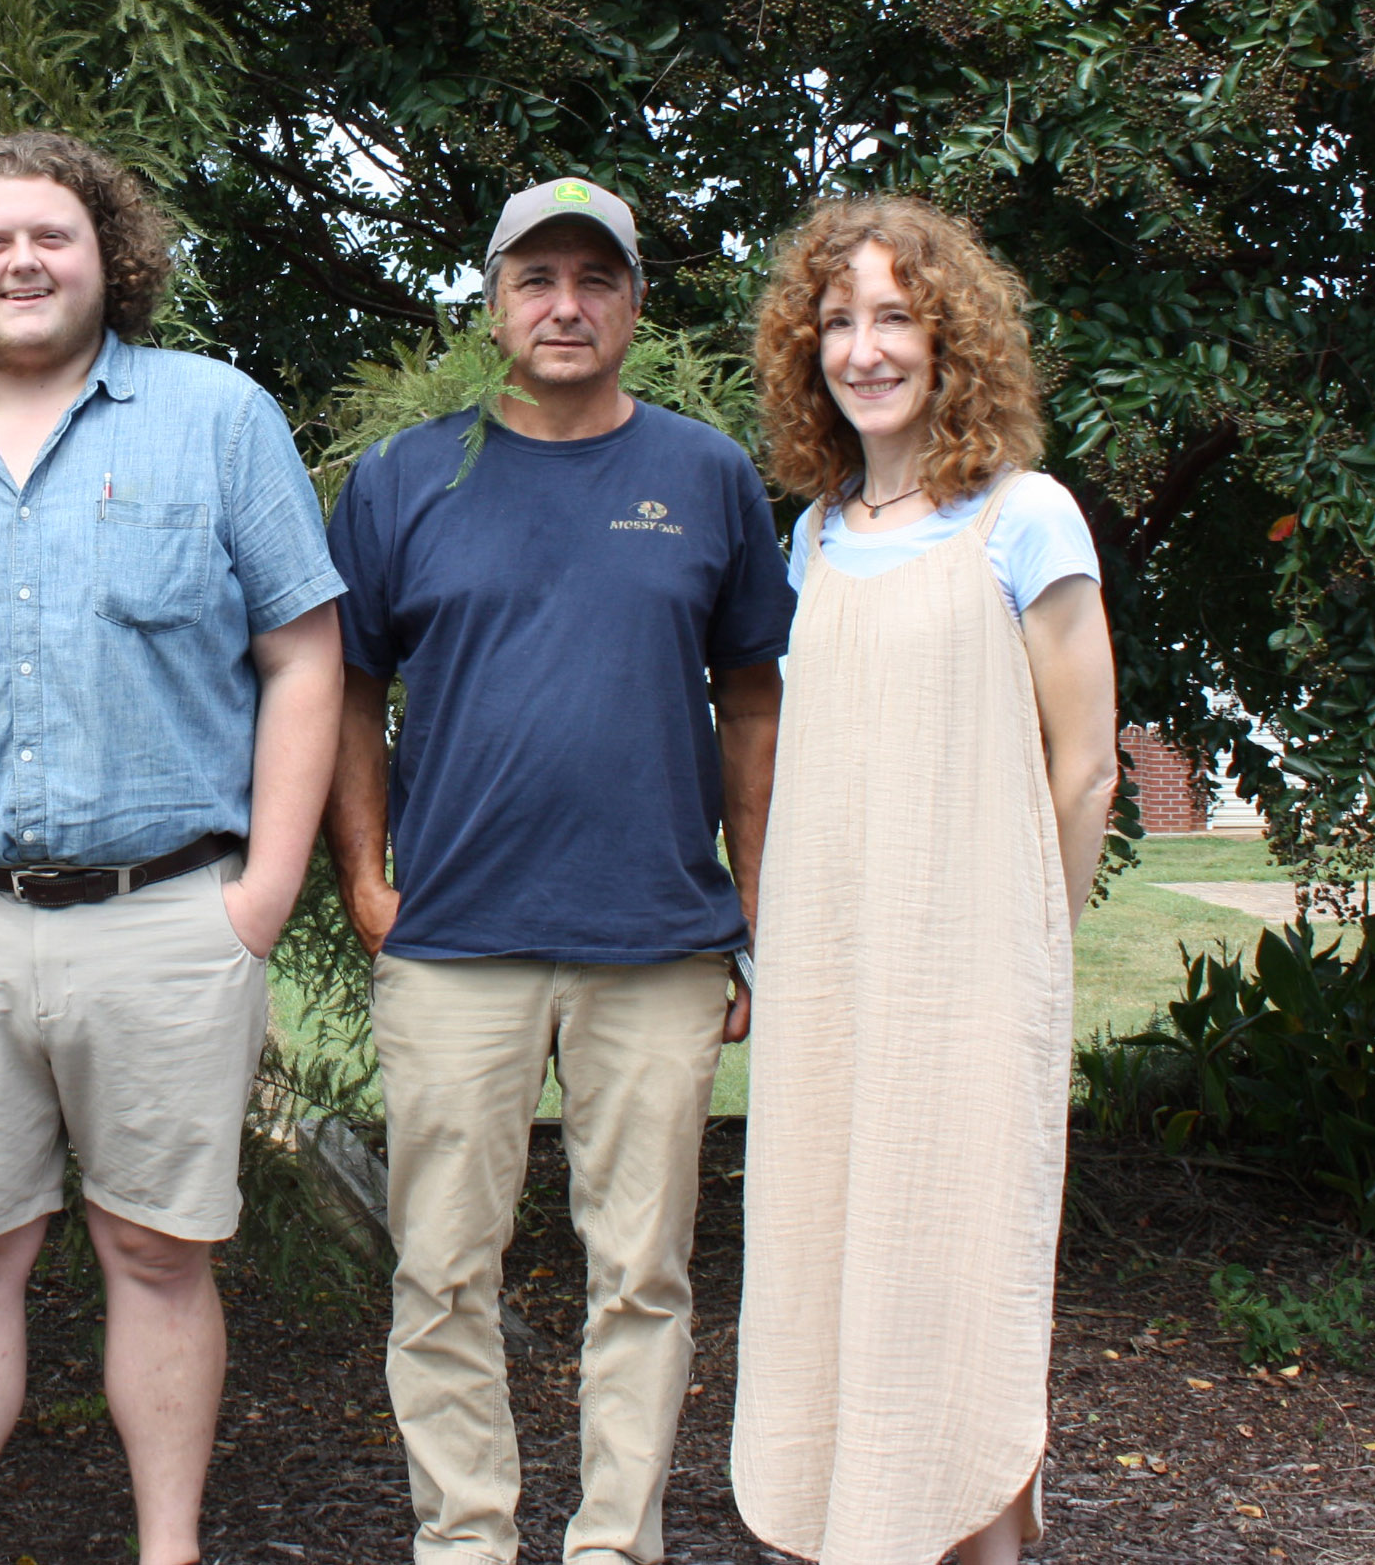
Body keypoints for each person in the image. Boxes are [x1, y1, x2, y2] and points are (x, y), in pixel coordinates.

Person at [0, 130, 345, 1565]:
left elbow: (304, 655)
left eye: (54, 235)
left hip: (166, 916)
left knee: (160, 1255)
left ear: (111, 258)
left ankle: (170, 1547)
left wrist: (263, 894)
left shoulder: (217, 419)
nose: (24, 261)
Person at [321, 177, 791, 1565]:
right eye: (537, 278)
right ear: (493, 299)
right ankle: (463, 1538)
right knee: (438, 1272)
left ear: (636, 303)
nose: (565, 304)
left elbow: (752, 693)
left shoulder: (706, 473)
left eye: (595, 278)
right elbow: (343, 689)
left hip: (654, 937)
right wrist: (362, 873)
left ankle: (612, 1542)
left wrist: (752, 903)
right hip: (453, 937)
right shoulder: (408, 476)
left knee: (640, 1272)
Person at [729, 196, 1117, 1565]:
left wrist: (1026, 949)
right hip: (833, 990)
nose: (865, 348)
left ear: (952, 338)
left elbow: (1083, 772)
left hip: (970, 986)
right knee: (842, 1274)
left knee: (961, 1285)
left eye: (895, 316)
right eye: (838, 321)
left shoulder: (1025, 519)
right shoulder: (813, 536)